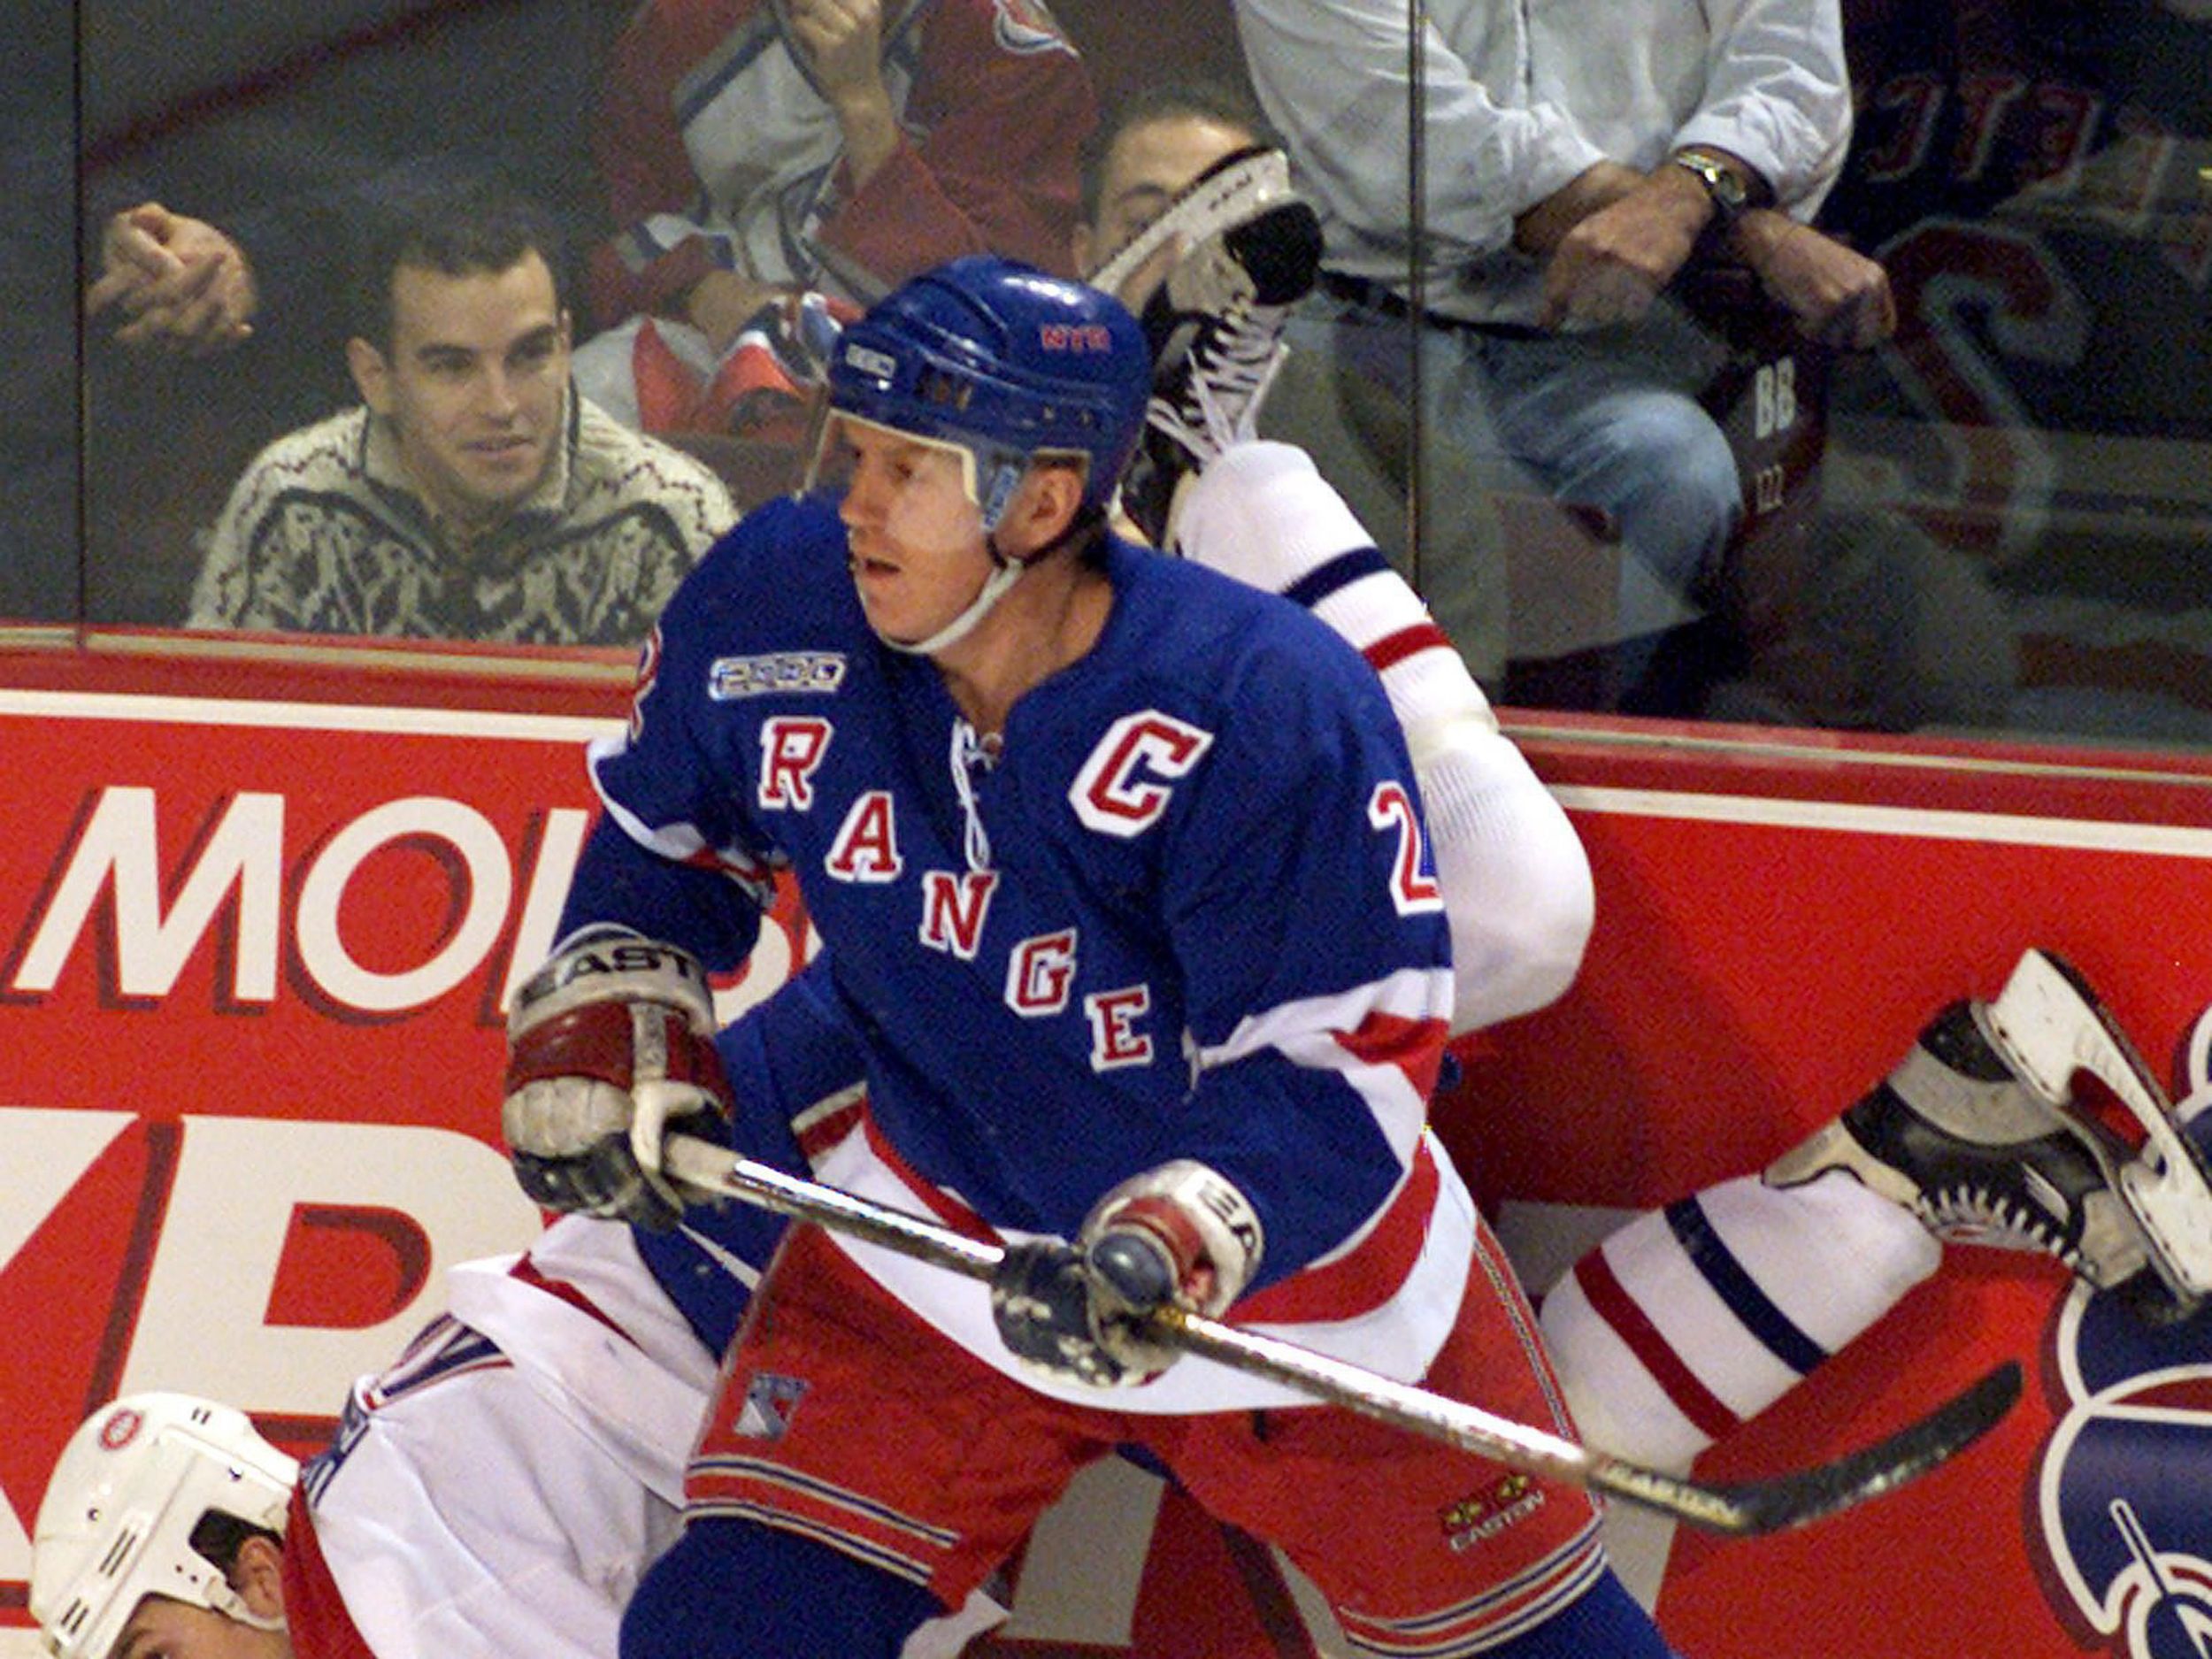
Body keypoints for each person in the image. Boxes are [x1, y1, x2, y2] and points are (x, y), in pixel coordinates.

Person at [502, 253, 1686, 1657]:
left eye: (909, 470)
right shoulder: (775, 605)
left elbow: (1336, 1081)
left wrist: (1170, 1242)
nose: (855, 507)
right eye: (856, 453)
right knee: (724, 1634)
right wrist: (615, 1010)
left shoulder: (1260, 701)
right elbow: (665, 842)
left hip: (1296, 1299)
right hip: (934, 1238)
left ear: (1044, 501)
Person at [27, 979, 1003, 1659]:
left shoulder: (398, 1590)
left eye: (155, 1657)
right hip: (780, 1286)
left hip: (782, 1229)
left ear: (251, 1576)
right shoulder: (372, 1541)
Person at [1233, 0, 1900, 710]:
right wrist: (1742, 229)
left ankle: (1595, 759)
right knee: (1274, 491)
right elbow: (1428, 152)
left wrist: (1690, 191)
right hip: (1363, 321)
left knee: (1679, 473)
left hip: (1621, 330)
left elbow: (1793, 70)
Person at [1075, 78, 1516, 686]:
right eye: (1147, 223)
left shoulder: (1404, 470)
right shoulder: (1001, 437)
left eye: (1223, 230)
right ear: (1082, 251)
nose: (1182, 258)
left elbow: (1448, 721)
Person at [184, 173, 734, 645]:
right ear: (376, 377)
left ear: (566, 346)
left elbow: (735, 757)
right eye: (453, 367)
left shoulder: (672, 524)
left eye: (529, 355)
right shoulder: (289, 505)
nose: (501, 405)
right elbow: (206, 745)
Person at [570, 0, 1100, 439]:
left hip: (920, 379)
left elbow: (988, 321)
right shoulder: (680, 28)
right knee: (582, 397)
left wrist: (863, 105)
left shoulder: (1014, 55)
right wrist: (698, 288)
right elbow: (615, 228)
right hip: (714, 335)